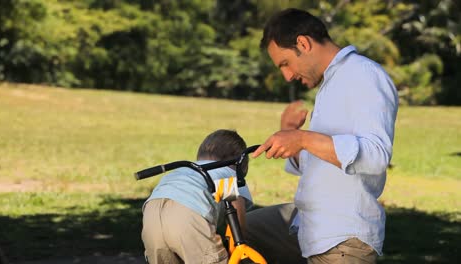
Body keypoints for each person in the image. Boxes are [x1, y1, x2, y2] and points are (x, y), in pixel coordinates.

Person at [247, 8, 399, 264]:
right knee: (236, 229)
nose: (287, 76)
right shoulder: (331, 83)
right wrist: (294, 139)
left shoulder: (363, 75)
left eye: (285, 63)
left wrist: (303, 139)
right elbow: (321, 163)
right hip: (308, 224)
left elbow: (376, 156)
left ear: (303, 43)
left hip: (342, 238)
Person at [141, 129, 254, 264]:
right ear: (240, 164)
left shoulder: (186, 170)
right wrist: (240, 243)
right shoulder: (224, 172)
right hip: (187, 216)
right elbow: (235, 211)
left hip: (151, 214)